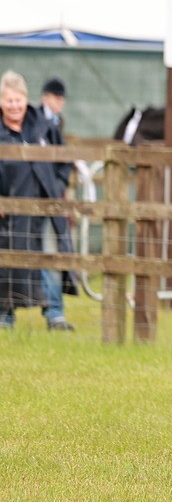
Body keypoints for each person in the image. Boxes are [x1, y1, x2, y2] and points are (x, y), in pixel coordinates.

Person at [0, 71, 73, 330]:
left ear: (26, 99)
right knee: (8, 261)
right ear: (1, 102)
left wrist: (57, 187)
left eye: (18, 100)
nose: (14, 106)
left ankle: (55, 314)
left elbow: (64, 161)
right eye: (8, 100)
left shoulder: (43, 126)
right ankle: (5, 316)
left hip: (46, 209)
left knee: (51, 259)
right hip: (11, 211)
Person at [38, 78, 79, 321]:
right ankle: (52, 309)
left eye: (61, 98)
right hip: (34, 193)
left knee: (52, 253)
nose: (59, 102)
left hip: (52, 195)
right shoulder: (37, 122)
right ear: (46, 97)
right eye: (55, 97)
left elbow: (63, 161)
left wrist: (58, 184)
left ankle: (53, 309)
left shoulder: (56, 122)